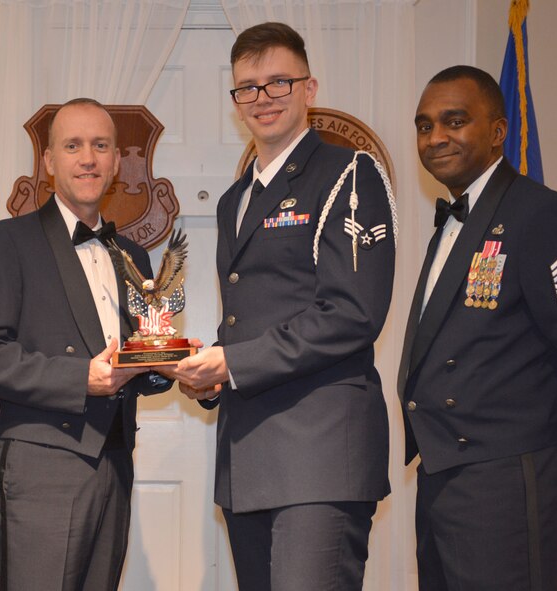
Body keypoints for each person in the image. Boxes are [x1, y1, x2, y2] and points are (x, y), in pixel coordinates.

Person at [165, 22, 396, 590]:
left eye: (278, 82)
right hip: (248, 460)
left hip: (318, 458)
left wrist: (233, 364)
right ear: (236, 99)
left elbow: (352, 314)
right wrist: (210, 375)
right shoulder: (234, 200)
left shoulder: (350, 172)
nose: (262, 98)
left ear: (309, 88)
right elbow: (245, 318)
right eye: (248, 87)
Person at [399, 65, 557, 589]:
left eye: (455, 120)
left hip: (506, 479)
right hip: (442, 476)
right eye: (425, 126)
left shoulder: (545, 215)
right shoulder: (453, 221)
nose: (436, 137)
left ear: (498, 132)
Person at [0, 98, 173, 590]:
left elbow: (138, 361)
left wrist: (168, 363)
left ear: (117, 161)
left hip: (114, 461)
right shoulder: (2, 241)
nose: (88, 158)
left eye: (100, 146)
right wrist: (80, 380)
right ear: (49, 162)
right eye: (73, 146)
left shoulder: (133, 255)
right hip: (40, 464)